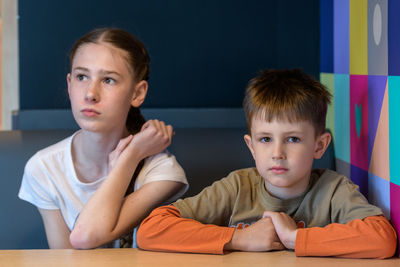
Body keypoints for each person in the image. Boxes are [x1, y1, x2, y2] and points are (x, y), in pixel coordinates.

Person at [137, 69, 397, 258]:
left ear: (319, 145)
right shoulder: (237, 187)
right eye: (265, 139)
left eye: (293, 139)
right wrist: (239, 238)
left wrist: (295, 238)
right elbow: (151, 229)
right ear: (251, 146)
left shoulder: (333, 190)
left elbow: (382, 239)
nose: (277, 153)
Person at [18, 28, 188, 249]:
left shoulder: (162, 171)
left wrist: (131, 155)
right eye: (81, 77)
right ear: (69, 85)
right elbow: (62, 260)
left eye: (108, 80)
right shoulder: (44, 168)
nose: (90, 93)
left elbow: (86, 236)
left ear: (138, 93)